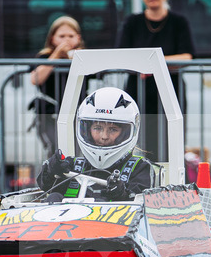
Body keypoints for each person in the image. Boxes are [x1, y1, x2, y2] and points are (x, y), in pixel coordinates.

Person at [118, 0, 194, 160]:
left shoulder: (178, 22)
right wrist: (147, 66)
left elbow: (187, 56)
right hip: (138, 91)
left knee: (172, 140)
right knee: (135, 141)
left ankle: (168, 186)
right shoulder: (132, 22)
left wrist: (154, 65)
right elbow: (122, 55)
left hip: (171, 90)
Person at [36, 86, 153, 201]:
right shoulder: (72, 166)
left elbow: (141, 204)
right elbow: (46, 186)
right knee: (54, 197)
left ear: (126, 133)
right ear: (87, 130)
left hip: (114, 220)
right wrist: (51, 171)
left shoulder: (140, 168)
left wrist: (122, 194)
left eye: (113, 130)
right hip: (69, 220)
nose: (104, 136)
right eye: (97, 128)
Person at [30, 16, 84, 156]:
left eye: (71, 36)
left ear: (78, 38)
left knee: (78, 149)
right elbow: (35, 79)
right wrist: (56, 55)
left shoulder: (83, 56)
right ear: (52, 38)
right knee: (57, 149)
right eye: (61, 36)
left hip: (78, 111)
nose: (66, 39)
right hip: (50, 112)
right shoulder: (44, 57)